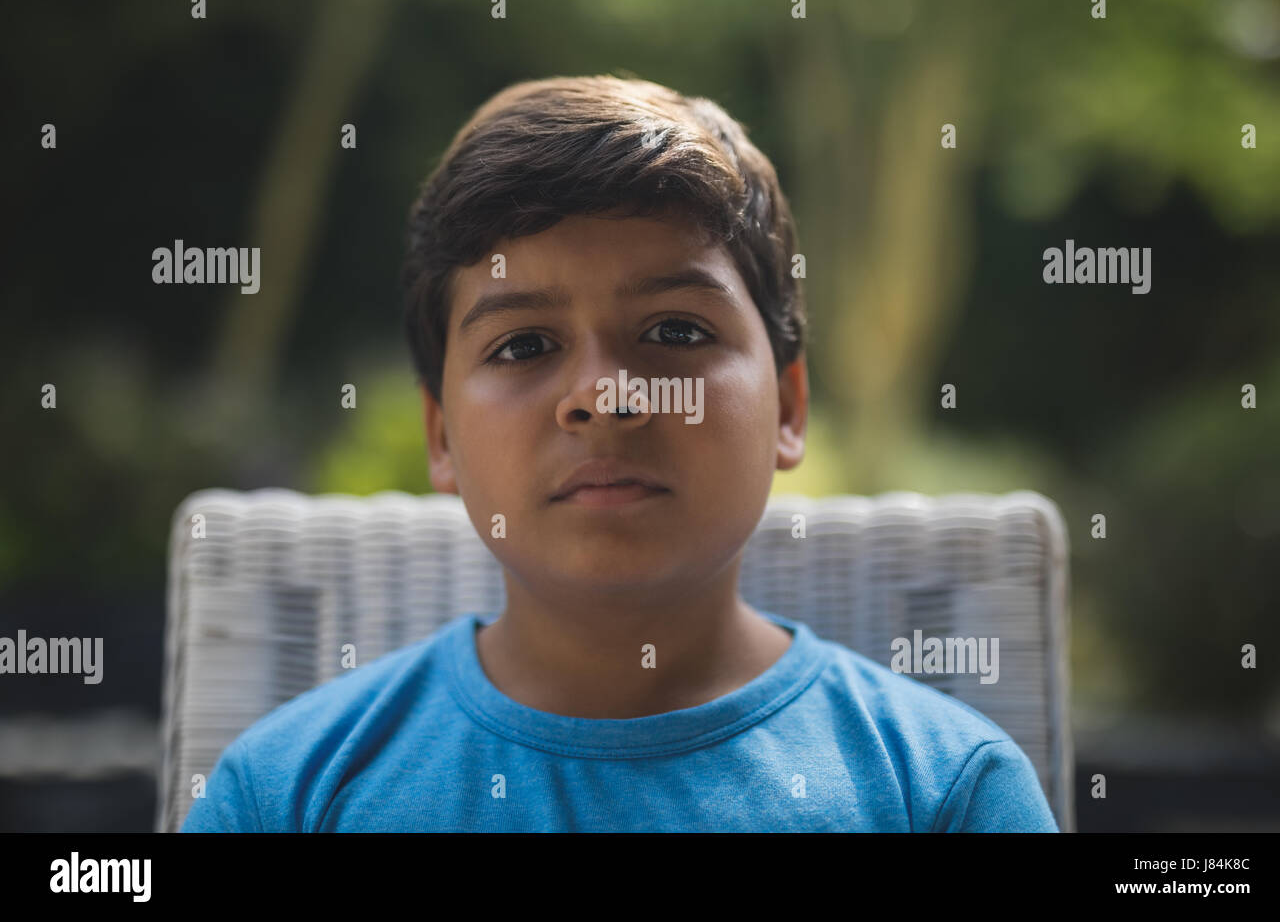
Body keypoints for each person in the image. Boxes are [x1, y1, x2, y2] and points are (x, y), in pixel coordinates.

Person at [182, 74, 1058, 832]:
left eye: (675, 329)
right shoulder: (287, 796)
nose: (604, 396)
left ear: (788, 407)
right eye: (523, 345)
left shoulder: (944, 795)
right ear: (442, 437)